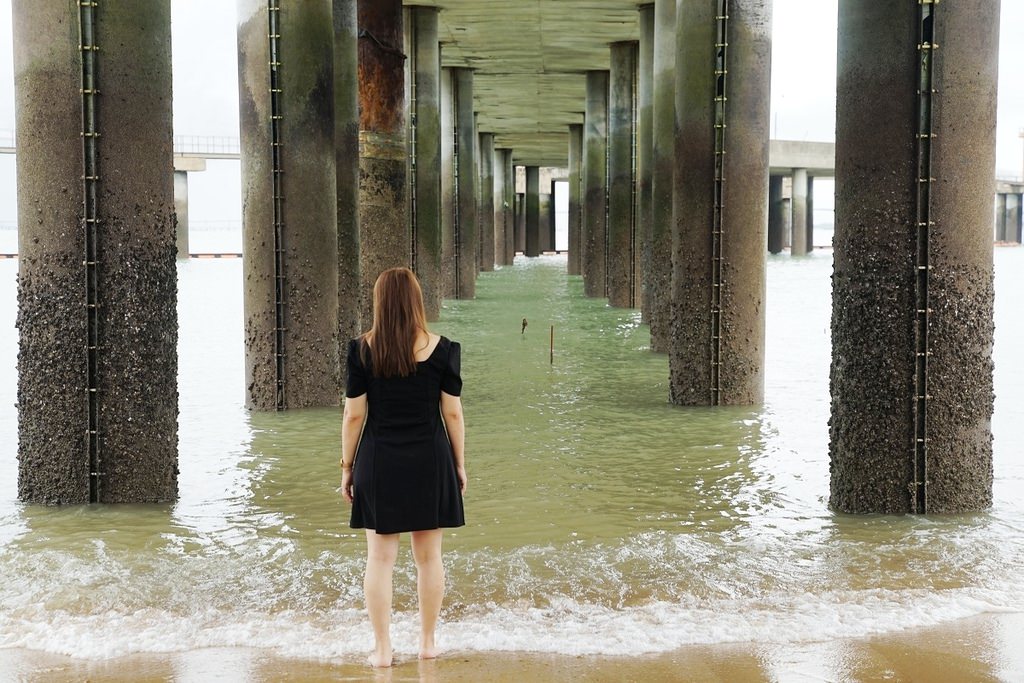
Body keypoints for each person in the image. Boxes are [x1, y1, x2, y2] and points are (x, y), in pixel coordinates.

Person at [340, 267, 467, 668]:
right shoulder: (443, 349)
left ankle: (382, 650)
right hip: (431, 461)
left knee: (379, 560)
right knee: (429, 559)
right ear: (416, 301)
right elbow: (453, 414)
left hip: (378, 463)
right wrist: (459, 464)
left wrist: (347, 468)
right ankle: (427, 642)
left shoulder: (362, 350)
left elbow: (354, 417)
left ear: (379, 303)